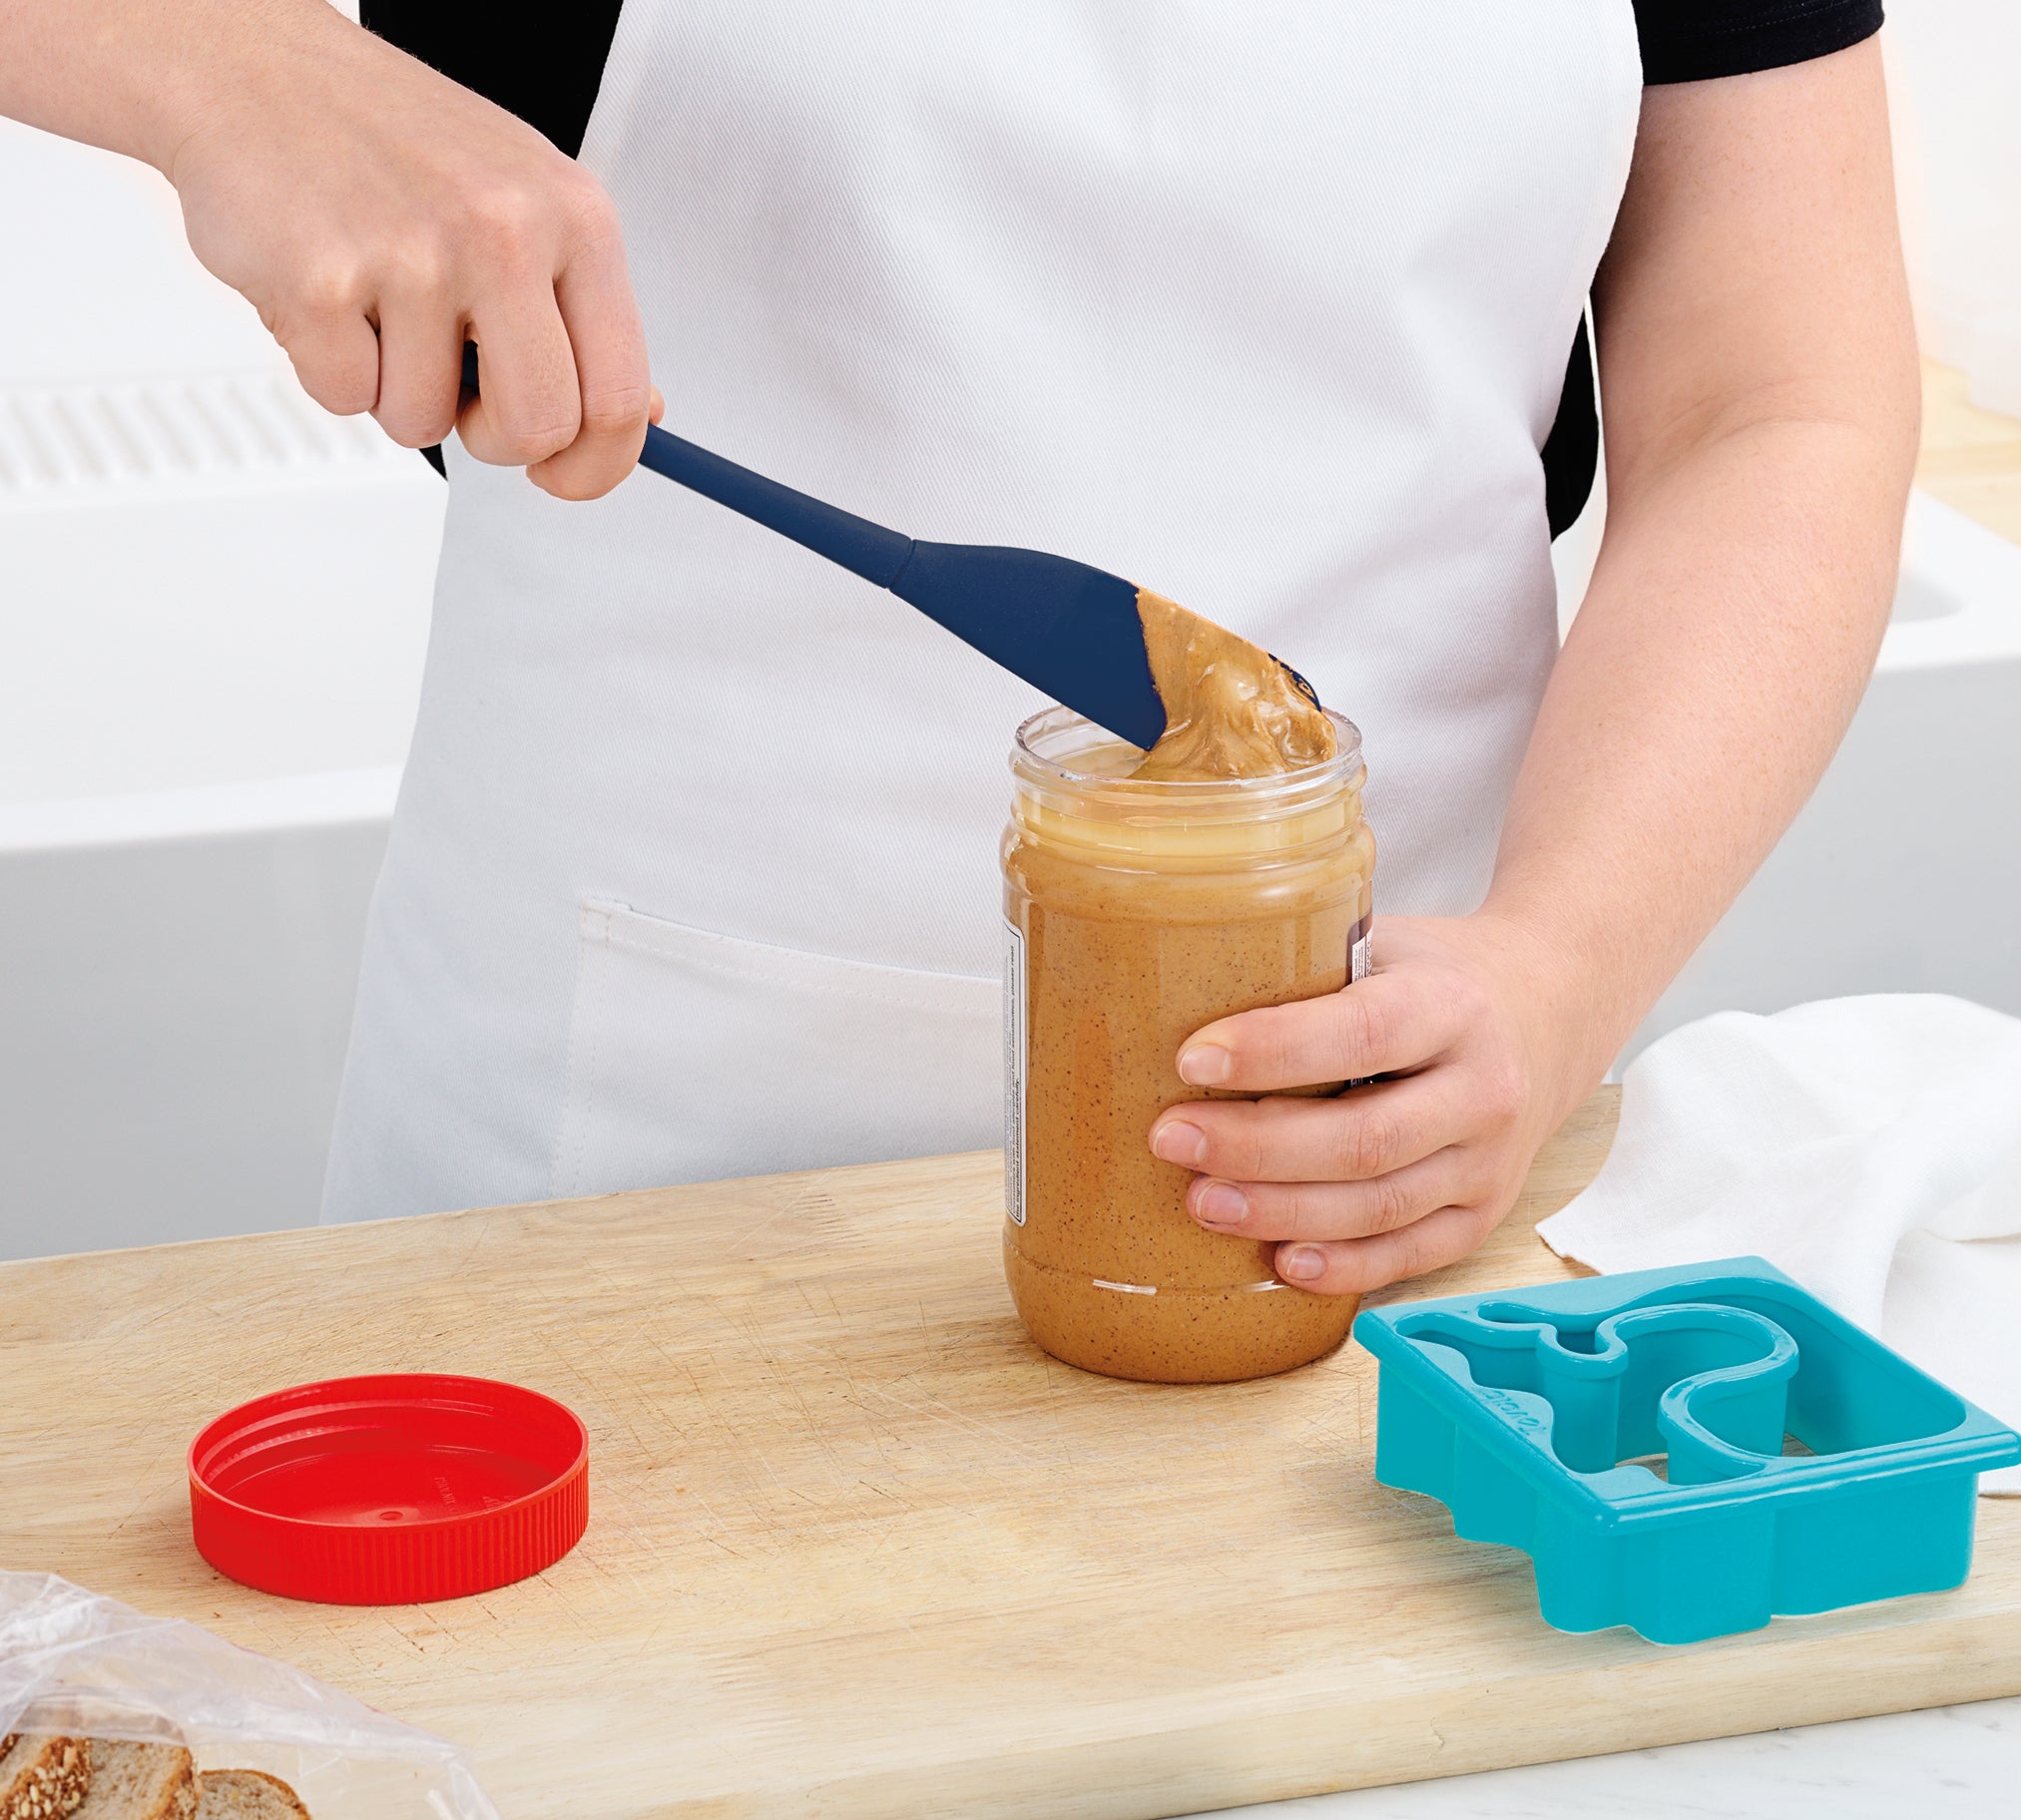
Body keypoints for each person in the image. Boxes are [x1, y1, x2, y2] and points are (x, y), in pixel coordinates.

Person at [5, 0, 1916, 1299]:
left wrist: (1553, 970)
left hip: (1389, 1138)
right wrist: (230, 62)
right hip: (632, 1164)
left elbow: (1777, 404)